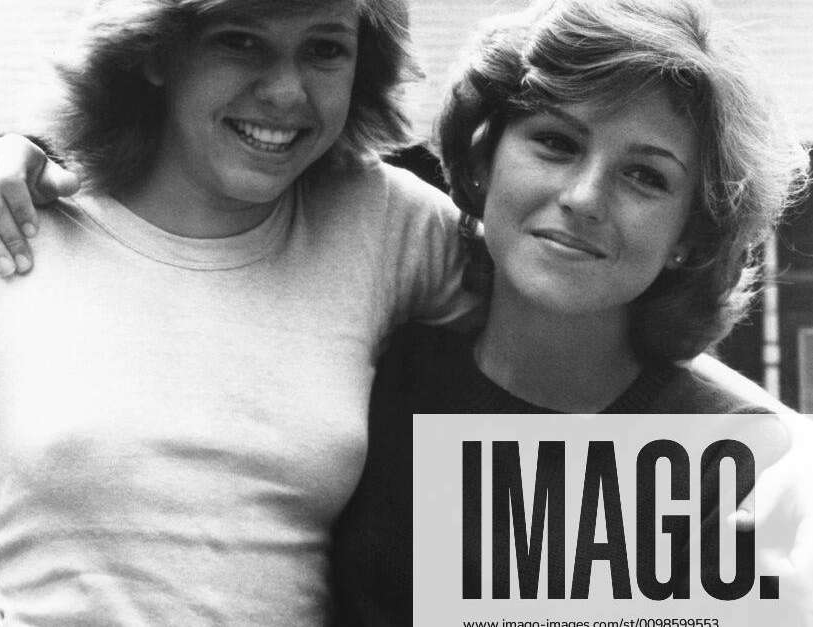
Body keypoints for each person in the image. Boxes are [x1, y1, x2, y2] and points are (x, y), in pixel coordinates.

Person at [0, 0, 477, 624]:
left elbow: (578, 358)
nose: (287, 93)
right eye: (241, 42)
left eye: (324, 49)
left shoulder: (390, 225)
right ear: (153, 52)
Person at [329, 0, 811, 623]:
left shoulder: (738, 461)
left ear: (691, 233)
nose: (584, 198)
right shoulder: (382, 379)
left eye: (645, 176)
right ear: (482, 162)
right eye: (556, 142)